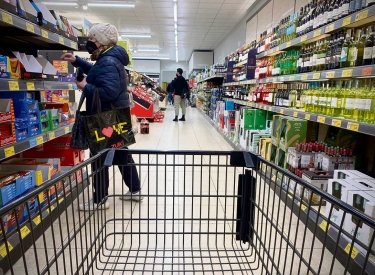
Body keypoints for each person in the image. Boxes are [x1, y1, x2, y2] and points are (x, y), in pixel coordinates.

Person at [61, 23, 142, 211]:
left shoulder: (107, 60)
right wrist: (77, 61)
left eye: (92, 39)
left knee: (98, 157)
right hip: (114, 118)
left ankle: (99, 199)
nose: (89, 43)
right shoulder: (110, 57)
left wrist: (84, 87)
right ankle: (135, 190)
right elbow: (99, 73)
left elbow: (108, 91)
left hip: (103, 117)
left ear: (102, 42)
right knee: (121, 154)